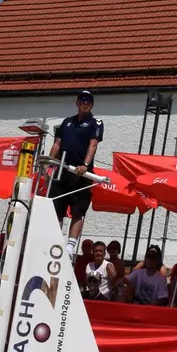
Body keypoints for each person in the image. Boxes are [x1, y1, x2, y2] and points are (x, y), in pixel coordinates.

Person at [45, 90, 104, 244]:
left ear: (92, 105)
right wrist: (49, 162)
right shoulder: (67, 122)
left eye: (89, 101)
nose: (85, 103)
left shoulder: (95, 122)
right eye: (83, 100)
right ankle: (55, 240)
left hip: (80, 173)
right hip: (63, 169)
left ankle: (70, 246)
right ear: (77, 103)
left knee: (78, 211)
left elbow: (93, 144)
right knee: (57, 207)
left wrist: (85, 164)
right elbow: (57, 144)